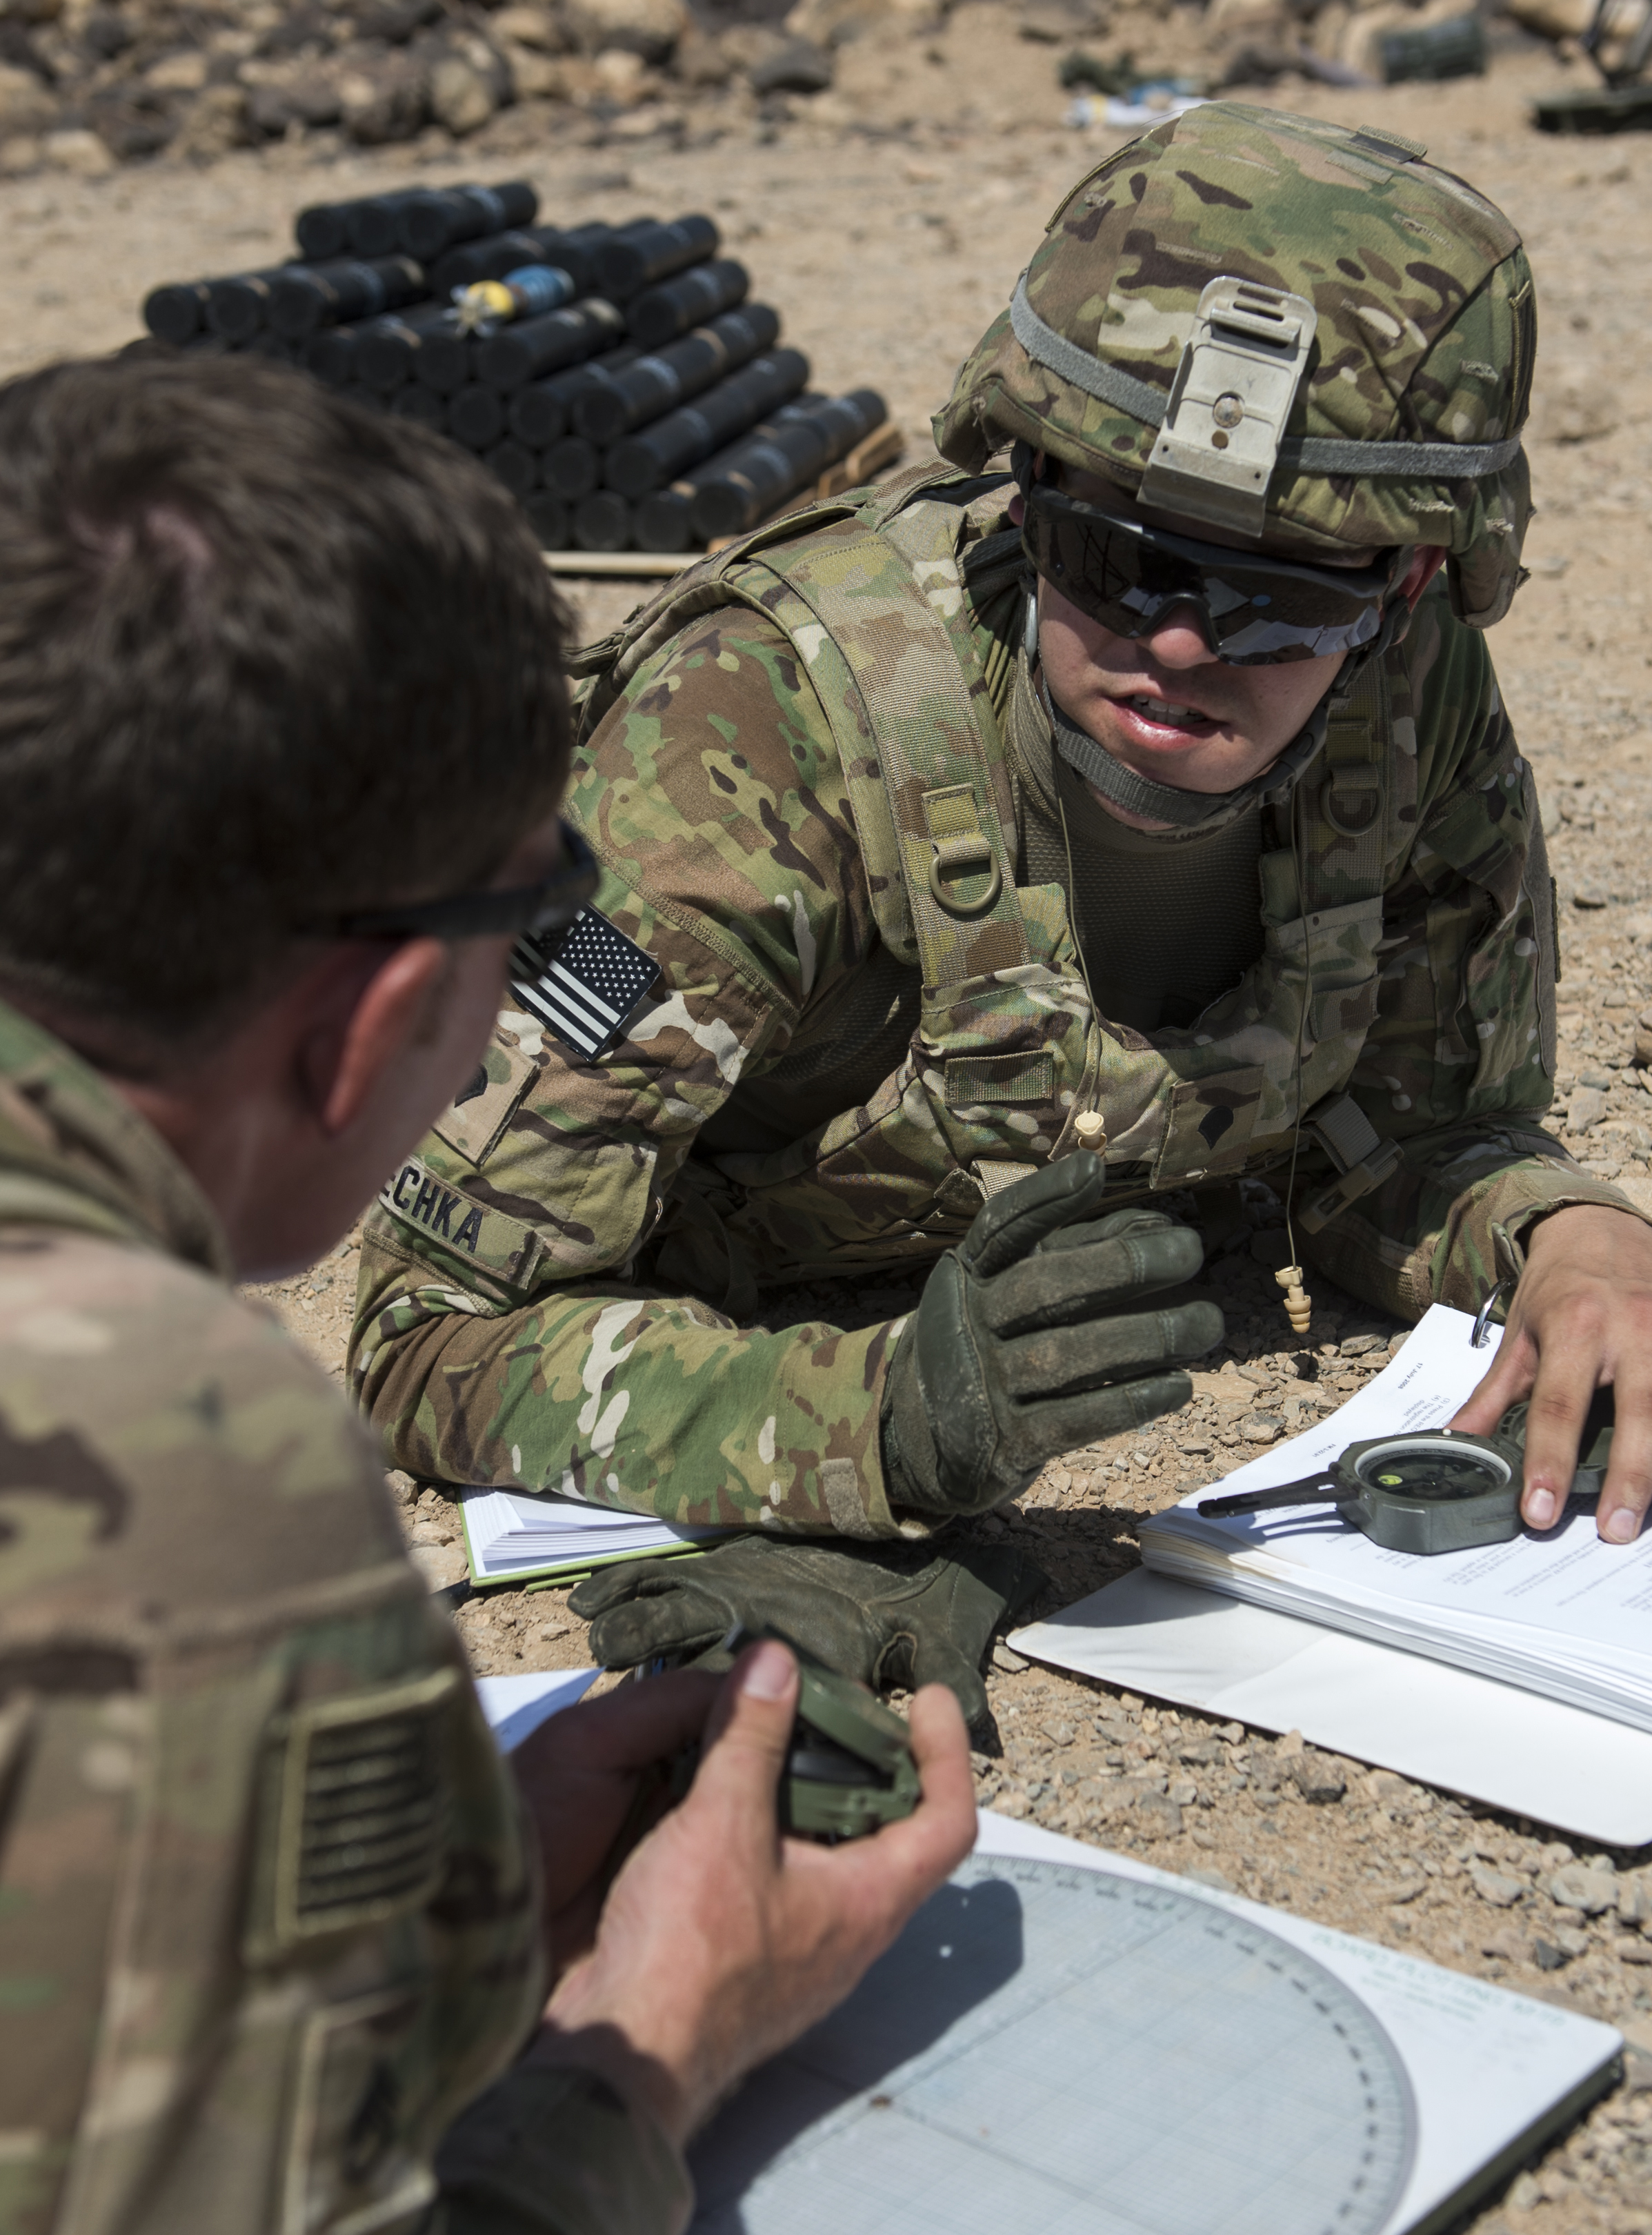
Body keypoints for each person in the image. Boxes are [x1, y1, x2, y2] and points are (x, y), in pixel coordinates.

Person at [351, 99, 1652, 1680]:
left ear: (1410, 587)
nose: (1182, 644)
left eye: (1284, 600)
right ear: (1024, 498)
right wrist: (873, 1422)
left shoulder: (1411, 699)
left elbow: (1419, 1141)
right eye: (1119, 562)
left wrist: (1572, 1236)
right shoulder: (757, 736)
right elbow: (433, 1331)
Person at [0, 351, 975, 2235]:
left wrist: (417, 1932)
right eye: (531, 925)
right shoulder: (151, 1442)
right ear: (368, 1025)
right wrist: (655, 2042)